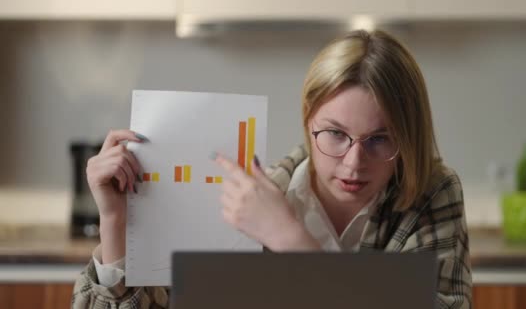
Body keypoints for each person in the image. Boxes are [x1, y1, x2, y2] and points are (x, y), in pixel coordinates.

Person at [72, 30, 472, 308]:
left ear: (409, 137)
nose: (354, 162)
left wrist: (291, 240)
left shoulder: (431, 194)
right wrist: (115, 223)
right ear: (307, 120)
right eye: (334, 134)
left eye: (379, 139)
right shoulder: (243, 197)